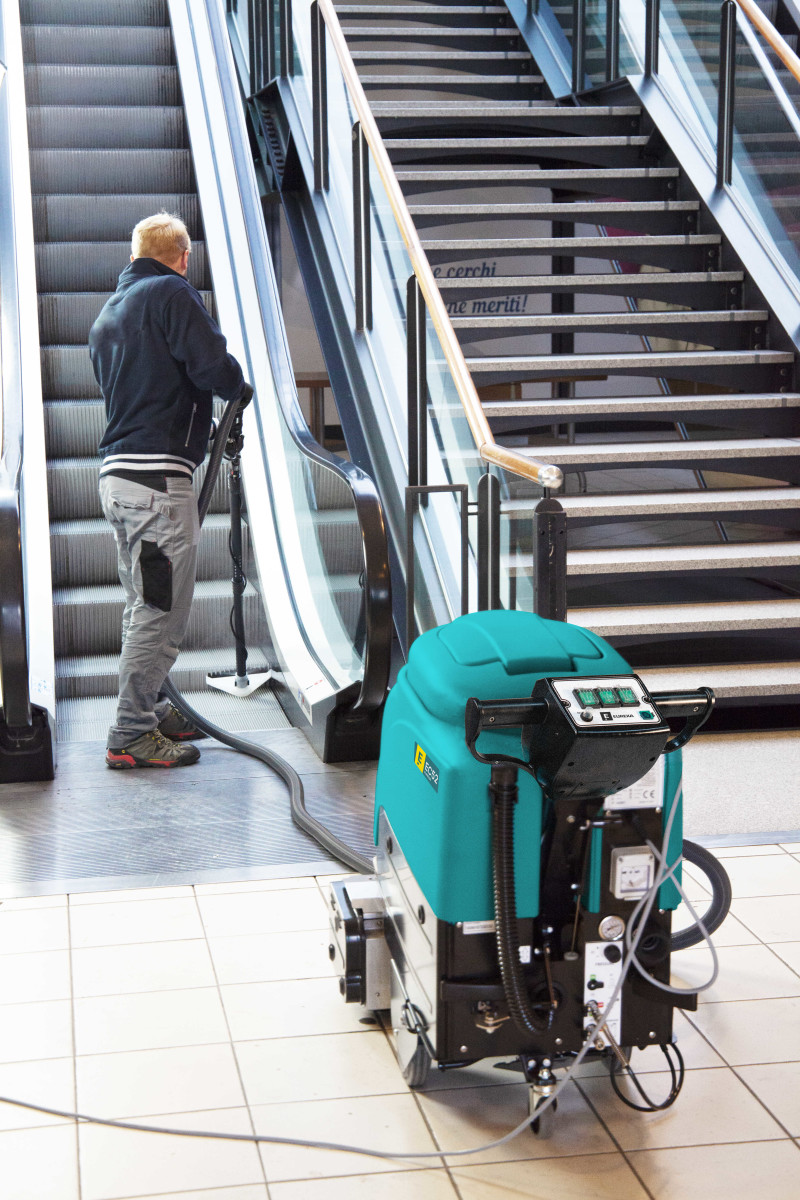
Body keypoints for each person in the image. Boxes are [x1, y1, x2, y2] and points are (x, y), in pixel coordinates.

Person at [89, 212, 252, 768]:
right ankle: (131, 731)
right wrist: (237, 386)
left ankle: (151, 707)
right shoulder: (172, 294)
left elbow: (150, 388)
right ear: (183, 257)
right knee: (160, 611)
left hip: (120, 479)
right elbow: (213, 366)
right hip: (156, 485)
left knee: (143, 604)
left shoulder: (111, 312)